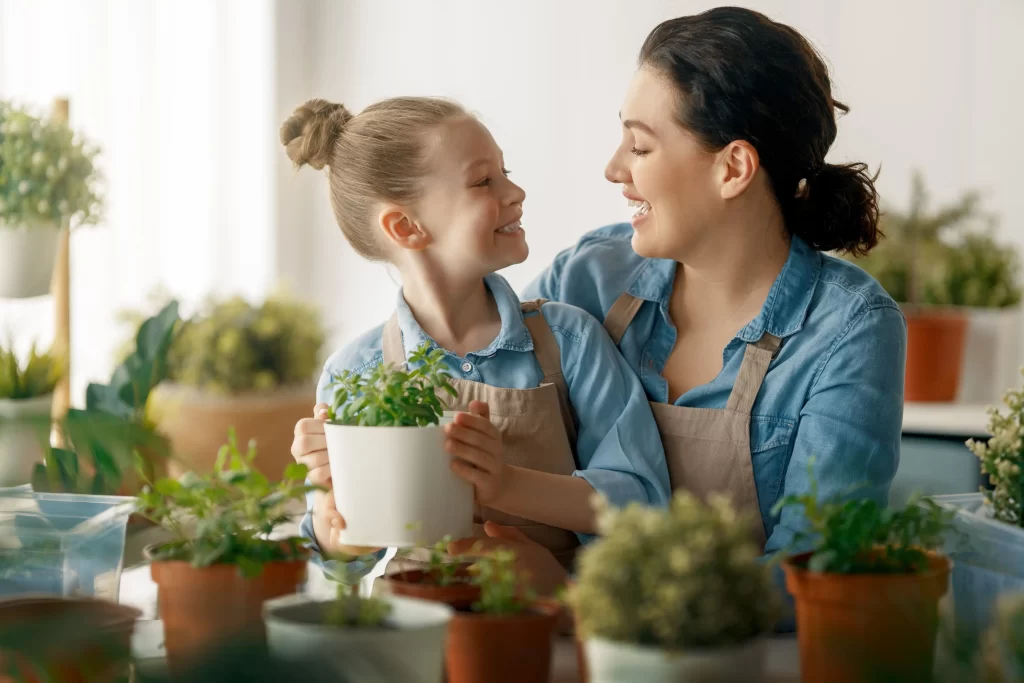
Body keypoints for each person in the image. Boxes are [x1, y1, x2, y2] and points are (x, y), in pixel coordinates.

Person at [455, 6, 908, 600]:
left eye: (640, 147)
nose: (614, 168)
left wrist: (576, 597)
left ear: (733, 168)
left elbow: (811, 578)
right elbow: (463, 369)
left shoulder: (849, 330)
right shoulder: (587, 277)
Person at [282, 96, 671, 586]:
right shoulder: (353, 375)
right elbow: (344, 558)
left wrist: (506, 484)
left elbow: (641, 499)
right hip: (420, 632)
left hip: (556, 626)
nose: (516, 191)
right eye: (485, 181)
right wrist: (337, 507)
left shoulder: (569, 341)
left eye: (504, 172)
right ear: (406, 226)